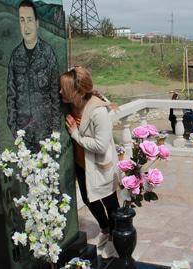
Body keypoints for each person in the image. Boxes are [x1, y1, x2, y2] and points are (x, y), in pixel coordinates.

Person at [60, 67, 119, 259]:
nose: (60, 92)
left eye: (64, 89)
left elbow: (101, 146)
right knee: (88, 199)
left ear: (78, 91)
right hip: (81, 164)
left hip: (99, 166)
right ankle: (105, 228)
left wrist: (75, 134)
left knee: (110, 203)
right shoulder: (71, 105)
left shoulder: (97, 111)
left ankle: (114, 238)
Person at [6, 0, 60, 151]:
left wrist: (55, 130)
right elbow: (11, 95)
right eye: (22, 20)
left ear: (36, 23)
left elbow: (55, 93)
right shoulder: (15, 56)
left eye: (29, 19)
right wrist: (14, 128)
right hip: (24, 134)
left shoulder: (47, 53)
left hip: (46, 133)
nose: (26, 26)